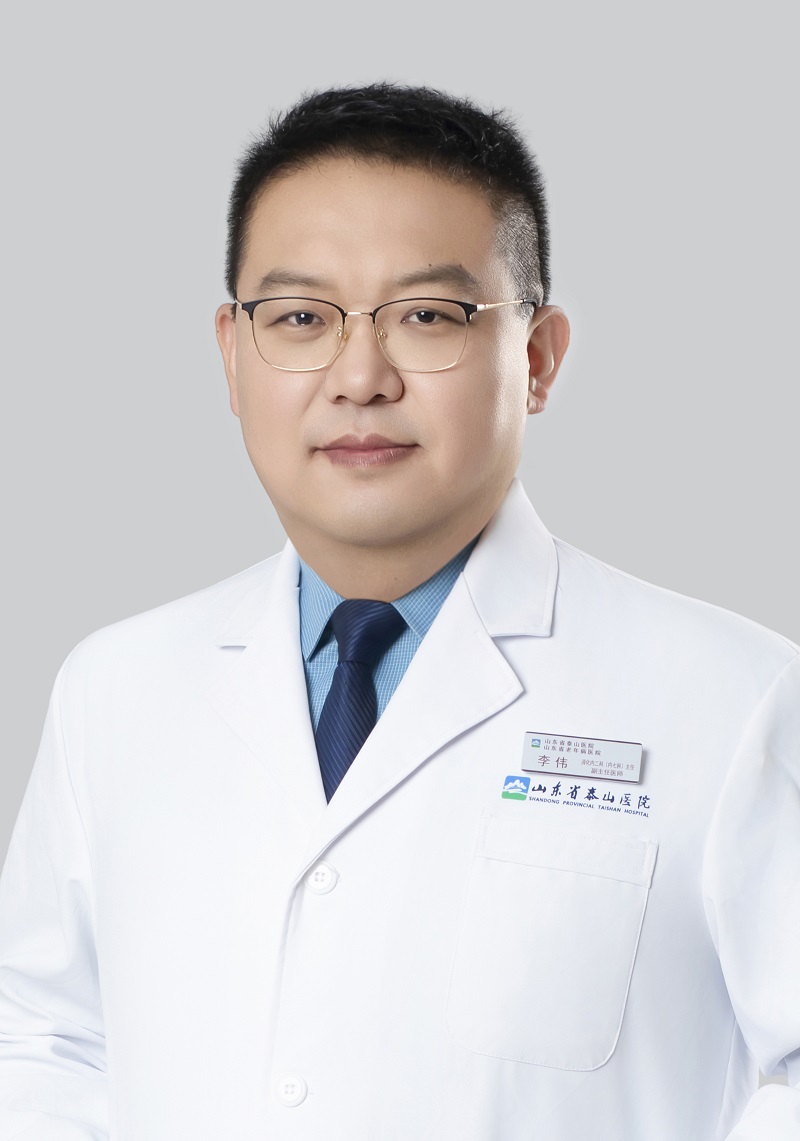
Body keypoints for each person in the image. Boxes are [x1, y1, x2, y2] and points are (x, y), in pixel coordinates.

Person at [0, 82, 798, 1141]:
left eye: (427, 316)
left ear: (538, 357)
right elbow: (43, 1037)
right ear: (232, 355)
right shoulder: (114, 687)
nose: (360, 377)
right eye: (299, 318)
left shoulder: (734, 697)